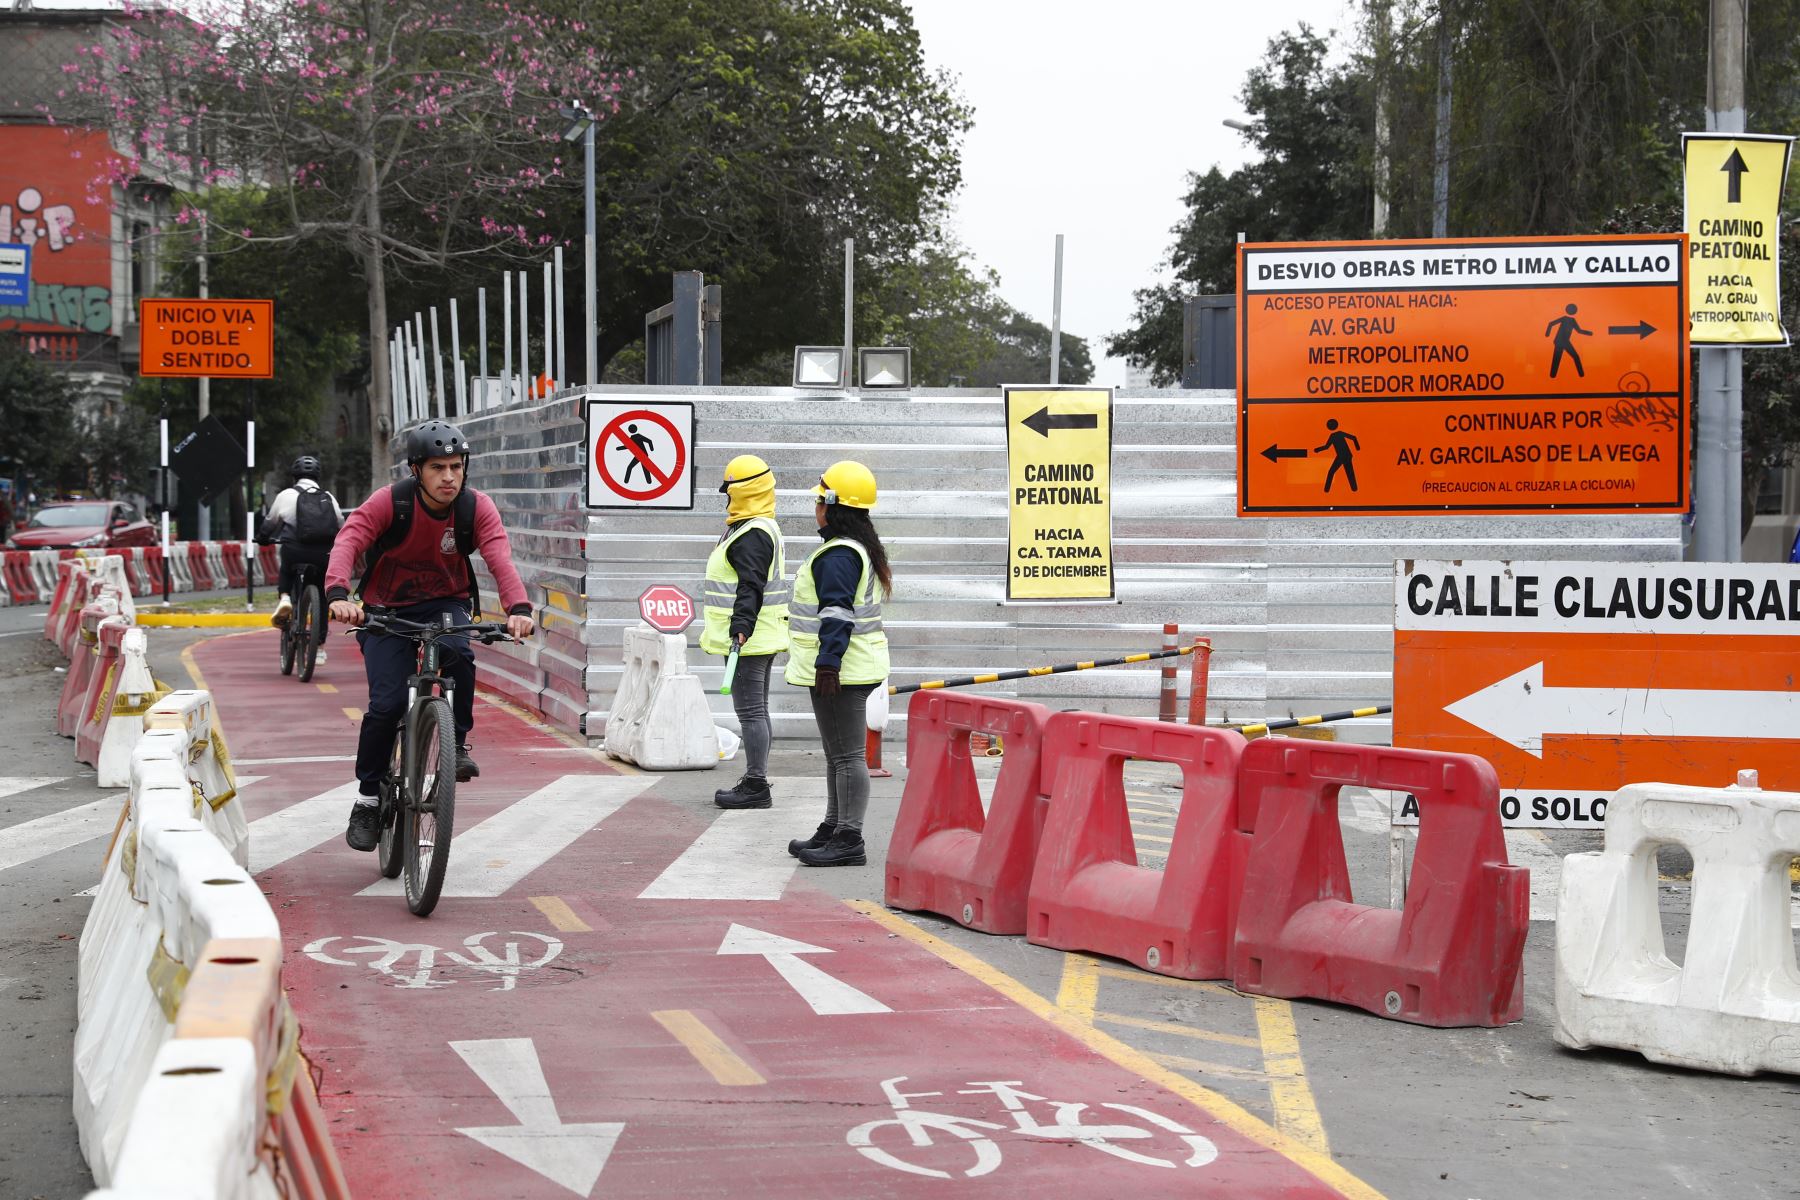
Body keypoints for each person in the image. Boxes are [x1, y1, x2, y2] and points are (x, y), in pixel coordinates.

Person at [325, 420, 535, 852]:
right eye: (438, 467)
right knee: (385, 705)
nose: (449, 477)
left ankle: (455, 742)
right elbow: (349, 540)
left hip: (445, 604)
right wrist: (339, 594)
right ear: (416, 470)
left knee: (460, 652)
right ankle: (367, 800)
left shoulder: (475, 508)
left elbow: (500, 557)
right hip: (385, 610)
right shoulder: (391, 502)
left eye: (456, 467)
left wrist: (518, 610)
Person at [785, 460, 891, 867]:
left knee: (847, 757)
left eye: (819, 498)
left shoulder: (840, 555)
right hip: (847, 667)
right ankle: (834, 826)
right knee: (839, 755)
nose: (815, 505)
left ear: (832, 504)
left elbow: (837, 614)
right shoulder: (850, 549)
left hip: (842, 670)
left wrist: (828, 663)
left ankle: (849, 838)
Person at [703, 455, 789, 809]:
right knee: (758, 709)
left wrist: (740, 628)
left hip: (749, 639)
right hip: (759, 635)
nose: (726, 497)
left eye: (730, 490)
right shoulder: (754, 526)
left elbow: (749, 586)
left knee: (751, 711)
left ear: (743, 491)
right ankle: (757, 779)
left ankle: (756, 784)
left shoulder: (754, 533)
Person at [257, 455, 343, 628]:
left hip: (294, 550)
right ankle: (319, 649)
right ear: (318, 477)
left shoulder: (286, 495)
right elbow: (341, 524)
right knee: (321, 593)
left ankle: (285, 598)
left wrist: (263, 539)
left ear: (294, 476)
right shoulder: (328, 497)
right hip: (322, 554)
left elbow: (269, 524)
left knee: (286, 569)